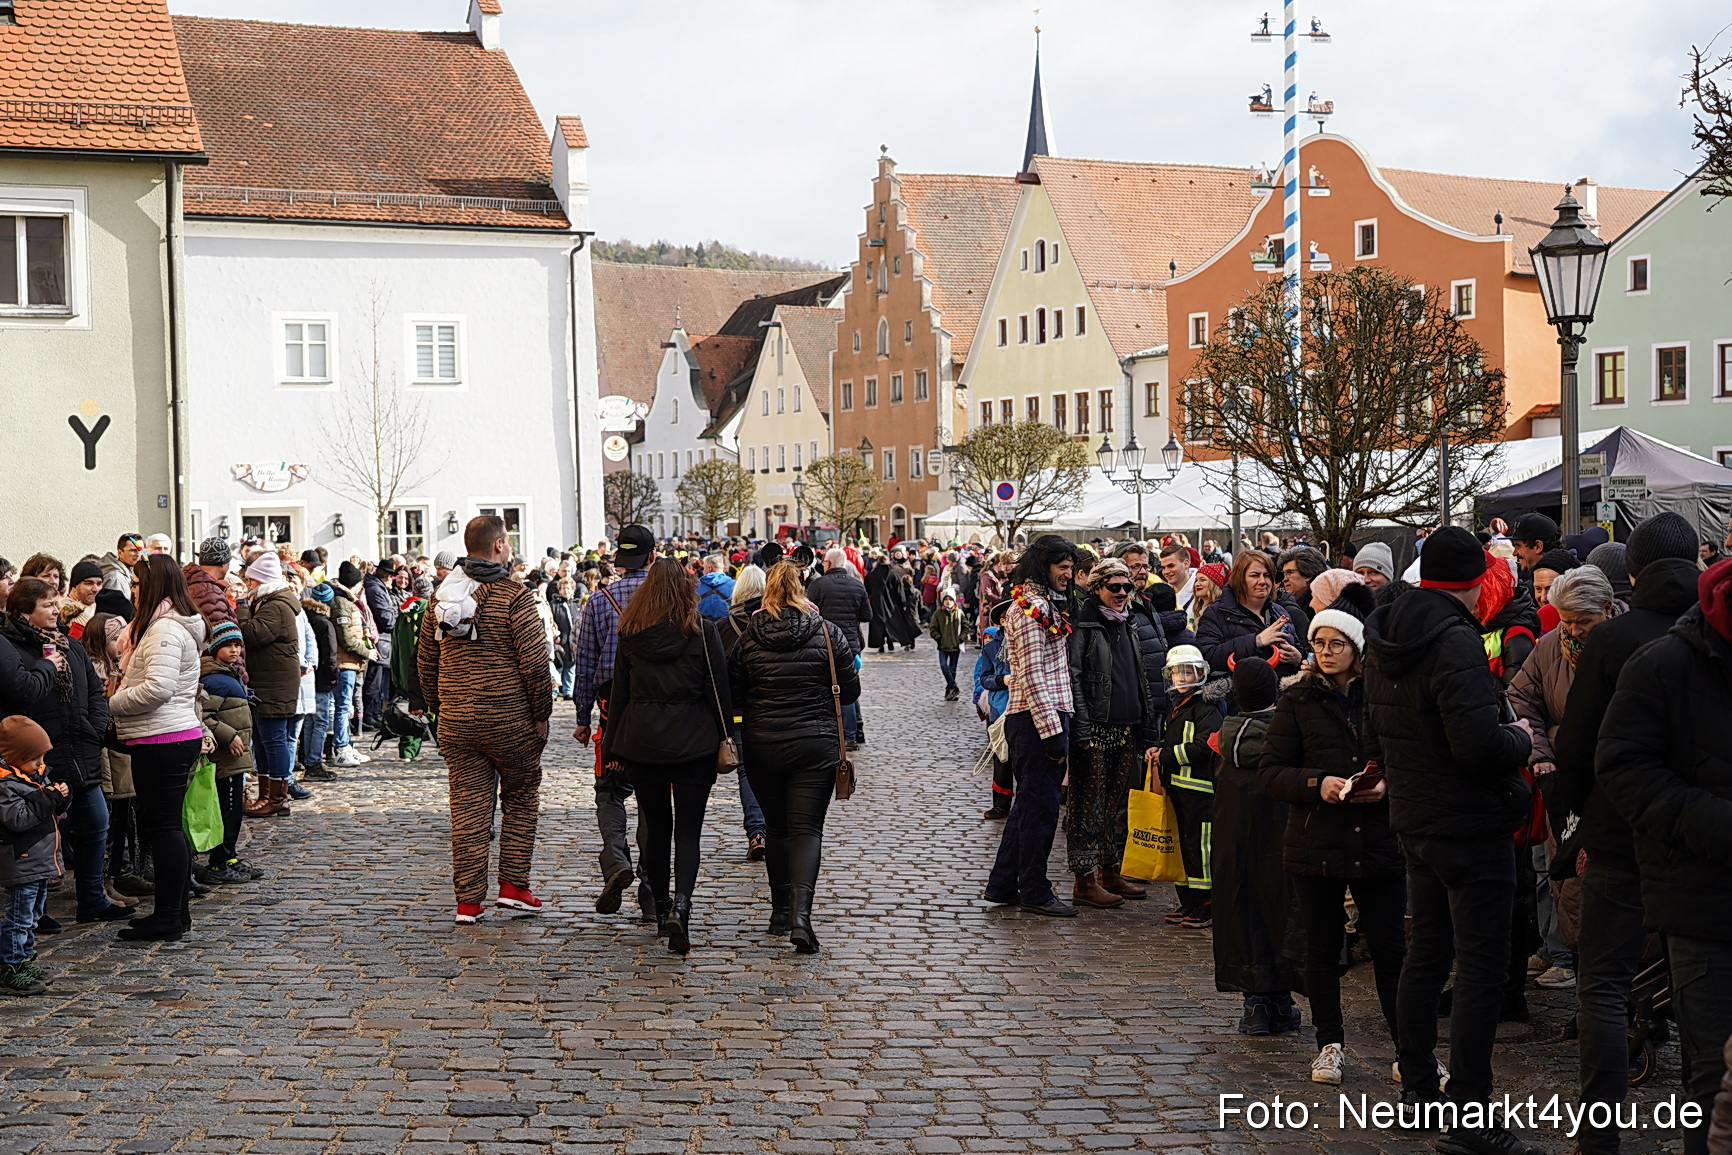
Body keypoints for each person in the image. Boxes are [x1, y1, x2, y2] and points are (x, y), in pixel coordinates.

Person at [1362, 526, 1537, 1152]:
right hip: (1469, 823)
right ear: (1476, 580)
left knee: (1427, 957)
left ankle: (1418, 1093)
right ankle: (1470, 1115)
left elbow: (1373, 737)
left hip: (1416, 818)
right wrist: (1520, 738)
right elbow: (1478, 746)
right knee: (1481, 967)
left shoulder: (1385, 632)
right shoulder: (1455, 637)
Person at [1553, 511, 1701, 1155]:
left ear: (1631, 574)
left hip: (1618, 834)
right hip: (1699, 838)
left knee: (1604, 986)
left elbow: (1576, 746)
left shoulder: (1614, 640)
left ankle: (1599, 1136)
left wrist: (1578, 818)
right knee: (1701, 985)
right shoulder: (1713, 632)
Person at [1597, 557, 1732, 1155]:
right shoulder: (1664, 664)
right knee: (1716, 1076)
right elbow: (1622, 769)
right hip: (1704, 904)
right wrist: (1720, 825)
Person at [1262, 583, 1406, 1083]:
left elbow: (1405, 755)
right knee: (1322, 948)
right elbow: (1272, 770)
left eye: (1336, 644)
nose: (1325, 652)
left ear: (1356, 648)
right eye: (1319, 643)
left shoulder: (1382, 696)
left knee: (1391, 950)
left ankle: (1409, 1049)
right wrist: (1316, 783)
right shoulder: (1296, 700)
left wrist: (1386, 784)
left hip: (1378, 837)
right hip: (1316, 839)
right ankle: (1329, 1042)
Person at [419, 516, 554, 924]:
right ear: (498, 545)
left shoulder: (442, 596)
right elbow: (535, 663)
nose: (509, 547)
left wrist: (439, 707)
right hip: (509, 719)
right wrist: (542, 713)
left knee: (467, 807)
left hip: (458, 721)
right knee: (521, 796)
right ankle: (513, 886)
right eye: (507, 541)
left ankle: (468, 901)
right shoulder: (514, 596)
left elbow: (426, 661)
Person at [600, 559, 736, 955]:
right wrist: (727, 736)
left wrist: (612, 748)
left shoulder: (631, 633)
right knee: (688, 832)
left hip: (644, 743)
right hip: (695, 741)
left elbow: (620, 695)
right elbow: (719, 690)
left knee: (656, 829)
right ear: (686, 591)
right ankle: (682, 907)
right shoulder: (702, 632)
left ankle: (660, 908)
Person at [728, 561, 860, 952]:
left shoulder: (749, 637)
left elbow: (734, 694)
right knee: (806, 830)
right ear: (801, 589)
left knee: (777, 829)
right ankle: (801, 918)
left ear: (767, 591)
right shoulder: (827, 632)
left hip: (763, 744)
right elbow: (850, 691)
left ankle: (779, 913)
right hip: (815, 745)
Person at [1508, 566, 1617, 990]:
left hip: (1615, 787)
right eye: (1566, 621)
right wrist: (1542, 750)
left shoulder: (1627, 643)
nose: (1573, 630)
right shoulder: (1552, 645)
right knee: (1568, 879)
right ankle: (1580, 970)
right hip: (1567, 789)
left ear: (1607, 608)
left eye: (1582, 621)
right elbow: (1521, 699)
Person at [0, 576, 123, 924]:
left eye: (56, 603)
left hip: (80, 749)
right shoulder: (11, 646)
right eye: (48, 605)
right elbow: (22, 694)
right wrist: (46, 667)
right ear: (25, 612)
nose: (56, 610)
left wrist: (94, 728)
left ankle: (92, 899)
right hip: (39, 758)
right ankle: (34, 912)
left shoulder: (71, 645)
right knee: (39, 834)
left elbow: (96, 691)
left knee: (96, 824)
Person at [108, 555, 212, 943]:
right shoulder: (166, 624)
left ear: (153, 586)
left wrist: (112, 703)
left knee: (165, 830)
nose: (132, 590)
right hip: (166, 735)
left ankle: (169, 916)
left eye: (137, 584)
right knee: (168, 828)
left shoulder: (165, 629)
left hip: (163, 739)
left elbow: (158, 688)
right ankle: (174, 912)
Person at [984, 536, 1081, 918]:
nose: (1068, 574)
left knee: (1028, 808)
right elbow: (1032, 675)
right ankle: (1035, 890)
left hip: (1043, 715)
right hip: (1037, 718)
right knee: (1040, 811)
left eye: (1071, 567)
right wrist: (1051, 731)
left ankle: (1005, 883)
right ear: (1044, 566)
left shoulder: (1045, 604)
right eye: (1062, 567)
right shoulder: (1029, 609)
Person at [571, 523, 657, 921]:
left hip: (612, 711)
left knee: (609, 791)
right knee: (653, 799)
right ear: (652, 556)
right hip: (657, 711)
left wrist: (582, 717)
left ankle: (617, 859)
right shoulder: (667, 598)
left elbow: (585, 662)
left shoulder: (600, 599)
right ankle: (652, 892)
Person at [1064, 559, 1161, 909]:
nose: (1121, 593)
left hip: (1126, 726)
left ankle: (1109, 870)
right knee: (1087, 805)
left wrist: (1148, 725)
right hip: (1096, 728)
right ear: (1096, 588)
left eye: (1126, 587)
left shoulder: (1129, 621)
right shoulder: (1084, 623)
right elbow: (1074, 676)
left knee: (1115, 803)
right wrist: (1082, 727)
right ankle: (1084, 880)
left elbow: (1140, 674)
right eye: (1114, 587)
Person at [1213, 655, 1300, 1037]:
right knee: (1280, 909)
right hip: (1278, 840)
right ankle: (1279, 997)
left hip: (1234, 845)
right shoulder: (1283, 738)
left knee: (1242, 910)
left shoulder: (1225, 737)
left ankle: (1256, 1001)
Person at [0, 716, 71, 996]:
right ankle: (11, 966)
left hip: (39, 860)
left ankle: (24, 960)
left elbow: (50, 811)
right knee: (19, 918)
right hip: (22, 862)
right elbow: (19, 819)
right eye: (34, 759)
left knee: (33, 916)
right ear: (16, 757)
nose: (41, 764)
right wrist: (49, 797)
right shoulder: (6, 785)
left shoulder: (34, 775)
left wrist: (62, 797)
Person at [1159, 644, 1228, 928]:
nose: (1182, 677)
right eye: (1177, 672)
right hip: (1179, 788)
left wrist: (1165, 756)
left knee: (1201, 846)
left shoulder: (1206, 707)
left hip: (1199, 790)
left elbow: (1205, 746)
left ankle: (1206, 903)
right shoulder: (1178, 705)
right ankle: (1189, 900)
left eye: (1188, 672)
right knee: (1184, 845)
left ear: (1201, 674)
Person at [236, 552, 302, 818]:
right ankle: (266, 795)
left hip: (275, 683)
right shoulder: (271, 602)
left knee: (273, 740)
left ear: (262, 580)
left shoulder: (275, 606)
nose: (248, 585)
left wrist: (241, 607)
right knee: (264, 740)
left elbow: (251, 634)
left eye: (251, 581)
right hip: (269, 680)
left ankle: (277, 798)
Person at [198, 621, 260, 883]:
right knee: (227, 809)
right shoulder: (213, 679)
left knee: (234, 811)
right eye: (228, 646)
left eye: (238, 645)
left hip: (236, 757)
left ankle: (230, 856)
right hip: (225, 757)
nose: (235, 650)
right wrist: (229, 735)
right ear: (215, 648)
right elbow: (205, 716)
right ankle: (219, 861)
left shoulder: (228, 674)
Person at [1196, 549, 1306, 694]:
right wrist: (1256, 641)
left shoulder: (1280, 612)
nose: (1262, 581)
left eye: (1267, 575)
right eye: (1255, 575)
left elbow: (1301, 651)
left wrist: (1298, 658)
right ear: (1239, 579)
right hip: (1241, 700)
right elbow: (1208, 657)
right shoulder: (1216, 614)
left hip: (1282, 700)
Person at [808, 549, 871, 745]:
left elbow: (809, 614)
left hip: (824, 643)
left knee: (829, 689)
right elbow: (866, 615)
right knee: (849, 688)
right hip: (850, 645)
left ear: (828, 563)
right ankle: (853, 733)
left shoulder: (818, 585)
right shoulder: (857, 585)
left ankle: (839, 735)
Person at [327, 569, 374, 768]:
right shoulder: (341, 603)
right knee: (343, 706)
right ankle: (341, 748)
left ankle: (347, 744)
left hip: (350, 662)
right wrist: (366, 652)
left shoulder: (347, 602)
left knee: (346, 707)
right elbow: (345, 638)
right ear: (356, 584)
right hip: (344, 662)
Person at [973, 600, 1014, 819]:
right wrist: (1002, 680)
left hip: (1025, 707)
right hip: (1000, 707)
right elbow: (985, 678)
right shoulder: (991, 648)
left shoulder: (1029, 640)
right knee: (1002, 757)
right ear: (1002, 621)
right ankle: (1001, 804)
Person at [361, 560, 398, 731]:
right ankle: (368, 715)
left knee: (377, 684)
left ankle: (374, 714)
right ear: (389, 576)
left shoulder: (377, 587)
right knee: (373, 683)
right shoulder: (375, 589)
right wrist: (397, 620)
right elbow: (386, 619)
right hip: (379, 641)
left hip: (382, 641)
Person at [1276, 546, 1327, 636]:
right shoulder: (1283, 602)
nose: (1284, 579)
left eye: (1290, 572)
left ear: (1308, 575)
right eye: (1284, 574)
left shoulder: (1320, 606)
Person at [929, 590, 965, 700]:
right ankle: (953, 685)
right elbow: (933, 628)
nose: (948, 602)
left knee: (952, 669)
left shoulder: (959, 613)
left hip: (955, 646)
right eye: (946, 599)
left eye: (950, 599)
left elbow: (965, 627)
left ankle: (950, 692)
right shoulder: (938, 613)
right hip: (943, 646)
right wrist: (938, 637)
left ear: (954, 601)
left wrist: (961, 638)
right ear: (942, 601)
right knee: (944, 666)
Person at [1510, 512, 1560, 592]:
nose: (1514, 553)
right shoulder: (1565, 577)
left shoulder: (1559, 587)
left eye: (1518, 545)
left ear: (1538, 547)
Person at [60, 559, 105, 640]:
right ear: (74, 587)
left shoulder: (102, 607)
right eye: (89, 583)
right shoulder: (63, 610)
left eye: (99, 584)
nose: (95, 589)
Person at [696, 554, 735, 620]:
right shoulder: (734, 585)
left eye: (704, 568)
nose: (703, 571)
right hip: (728, 624)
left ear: (709, 569)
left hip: (703, 624)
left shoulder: (696, 586)